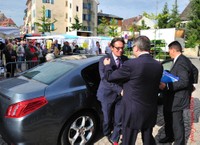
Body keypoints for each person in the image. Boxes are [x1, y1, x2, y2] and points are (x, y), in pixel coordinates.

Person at [103, 36, 163, 145]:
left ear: (136, 48)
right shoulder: (158, 65)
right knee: (147, 138)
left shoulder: (131, 64)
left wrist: (107, 66)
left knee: (128, 140)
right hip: (150, 110)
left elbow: (110, 77)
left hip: (133, 112)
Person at [159, 41, 199, 145]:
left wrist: (167, 86)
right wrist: (193, 84)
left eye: (169, 50)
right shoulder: (182, 59)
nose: (168, 53)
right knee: (168, 117)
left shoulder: (182, 62)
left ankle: (179, 142)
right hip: (170, 96)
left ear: (172, 50)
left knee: (177, 122)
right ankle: (169, 136)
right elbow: (195, 70)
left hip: (178, 97)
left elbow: (184, 81)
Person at [97, 37, 128, 145]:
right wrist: (120, 90)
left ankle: (114, 139)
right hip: (107, 94)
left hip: (120, 96)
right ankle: (106, 133)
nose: (120, 50)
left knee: (118, 119)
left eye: (122, 48)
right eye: (117, 48)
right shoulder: (104, 60)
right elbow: (105, 80)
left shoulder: (125, 59)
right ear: (111, 47)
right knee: (106, 119)